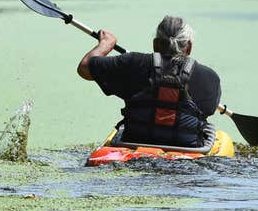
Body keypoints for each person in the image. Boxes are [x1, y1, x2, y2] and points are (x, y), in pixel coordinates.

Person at [77, 16, 221, 148]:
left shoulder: (132, 63)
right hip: (188, 151)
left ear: (155, 44)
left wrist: (106, 44)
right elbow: (209, 108)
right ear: (188, 47)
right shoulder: (210, 77)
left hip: (133, 144)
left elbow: (85, 68)